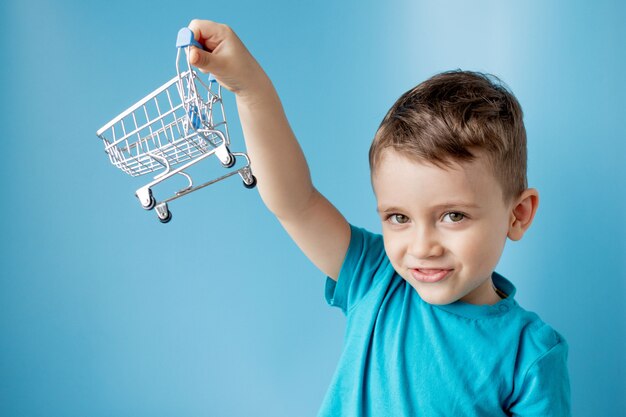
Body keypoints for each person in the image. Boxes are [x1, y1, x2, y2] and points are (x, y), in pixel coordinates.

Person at [186, 19, 571, 416]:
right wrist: (249, 89)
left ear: (517, 215)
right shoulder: (376, 276)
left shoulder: (531, 355)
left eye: (453, 215)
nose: (422, 247)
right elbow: (294, 200)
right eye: (399, 218)